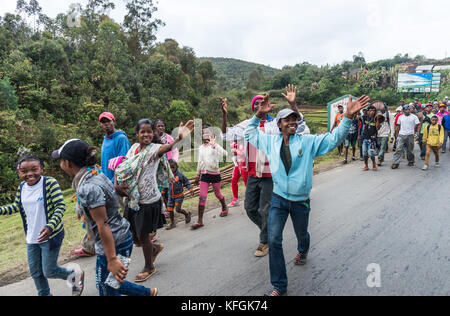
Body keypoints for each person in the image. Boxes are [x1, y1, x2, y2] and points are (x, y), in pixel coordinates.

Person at [245, 94, 370, 296]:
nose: (293, 122)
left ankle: (303, 250)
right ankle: (279, 286)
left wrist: (347, 117)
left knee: (302, 234)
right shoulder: (270, 142)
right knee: (274, 240)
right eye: (288, 119)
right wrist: (258, 115)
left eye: (295, 119)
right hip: (278, 199)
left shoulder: (308, 141)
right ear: (279, 125)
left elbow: (333, 139)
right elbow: (250, 133)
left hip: (300, 201)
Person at [53, 139, 158, 296]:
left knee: (106, 288)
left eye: (61, 160)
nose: (60, 164)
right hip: (121, 237)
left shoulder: (88, 187)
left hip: (114, 244)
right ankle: (147, 293)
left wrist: (112, 259)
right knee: (110, 282)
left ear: (68, 163)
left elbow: (103, 225)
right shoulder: (94, 171)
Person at [220, 85, 309, 258]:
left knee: (265, 209)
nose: (259, 106)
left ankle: (265, 240)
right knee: (250, 208)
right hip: (253, 173)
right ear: (252, 108)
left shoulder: (276, 124)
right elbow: (225, 135)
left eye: (263, 103)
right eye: (256, 104)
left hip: (271, 174)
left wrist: (293, 105)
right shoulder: (246, 125)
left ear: (268, 106)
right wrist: (224, 115)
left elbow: (300, 126)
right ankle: (269, 230)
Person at [115, 118, 194, 282]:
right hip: (133, 199)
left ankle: (149, 267)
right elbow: (126, 167)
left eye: (149, 132)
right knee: (133, 234)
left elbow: (166, 148)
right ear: (137, 134)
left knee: (143, 236)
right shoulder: (134, 148)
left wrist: (178, 139)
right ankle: (154, 248)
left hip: (148, 201)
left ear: (154, 134)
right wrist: (118, 184)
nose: (146, 134)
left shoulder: (155, 149)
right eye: (142, 131)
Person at [0, 154, 84, 296]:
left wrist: (50, 226)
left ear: (42, 168)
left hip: (51, 235)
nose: (30, 174)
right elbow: (16, 206)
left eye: (34, 169)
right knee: (36, 272)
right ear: (19, 172)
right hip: (32, 237)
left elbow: (60, 206)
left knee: (49, 270)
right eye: (24, 171)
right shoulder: (22, 187)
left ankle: (75, 275)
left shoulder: (49, 183)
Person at [191, 125, 229, 230]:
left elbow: (225, 154)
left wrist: (215, 145)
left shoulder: (215, 146)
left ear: (212, 135)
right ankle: (200, 220)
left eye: (208, 132)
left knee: (218, 194)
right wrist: (197, 174)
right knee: (202, 197)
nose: (205, 134)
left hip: (215, 174)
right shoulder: (201, 148)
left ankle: (224, 206)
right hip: (205, 175)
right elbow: (200, 161)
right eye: (203, 133)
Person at [99, 112, 131, 183]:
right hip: (106, 183)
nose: (106, 124)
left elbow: (124, 164)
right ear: (100, 124)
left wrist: (113, 183)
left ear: (114, 121)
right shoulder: (105, 139)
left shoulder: (121, 139)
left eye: (108, 121)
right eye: (103, 122)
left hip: (117, 184)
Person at [165, 159, 193, 230]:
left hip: (179, 196)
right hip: (171, 196)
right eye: (169, 168)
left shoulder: (180, 175)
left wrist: (190, 189)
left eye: (173, 167)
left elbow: (186, 182)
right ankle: (172, 223)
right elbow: (165, 184)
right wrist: (163, 190)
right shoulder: (168, 176)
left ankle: (187, 214)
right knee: (169, 209)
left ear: (177, 166)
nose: (171, 169)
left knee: (178, 209)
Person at [392, 105, 420, 169]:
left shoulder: (414, 117)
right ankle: (395, 163)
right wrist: (396, 133)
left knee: (410, 149)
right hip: (401, 134)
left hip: (410, 135)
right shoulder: (400, 117)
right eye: (406, 110)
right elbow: (398, 126)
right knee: (398, 148)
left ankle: (411, 160)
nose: (407, 111)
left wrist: (416, 132)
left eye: (408, 109)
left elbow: (418, 124)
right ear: (403, 110)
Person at [228, 138, 248, 207]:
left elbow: (243, 152)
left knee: (247, 183)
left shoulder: (243, 140)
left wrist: (235, 149)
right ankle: (235, 199)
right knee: (233, 180)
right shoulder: (234, 141)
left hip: (244, 164)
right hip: (237, 164)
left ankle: (251, 200)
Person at [360, 106, 378, 171]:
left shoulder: (376, 119)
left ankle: (374, 164)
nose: (372, 112)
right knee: (364, 153)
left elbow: (378, 128)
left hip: (372, 139)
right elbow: (357, 118)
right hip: (364, 138)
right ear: (367, 111)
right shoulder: (365, 117)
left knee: (371, 153)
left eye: (373, 110)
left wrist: (378, 121)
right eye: (370, 110)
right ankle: (366, 166)